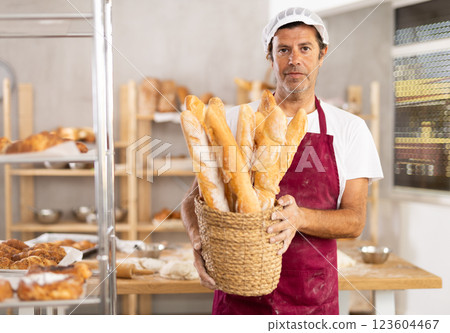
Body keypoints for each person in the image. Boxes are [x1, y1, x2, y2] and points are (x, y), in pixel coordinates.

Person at [181, 7, 383, 315]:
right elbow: (192, 200)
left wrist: (300, 217)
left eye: (305, 48)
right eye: (284, 50)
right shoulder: (236, 120)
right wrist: (199, 244)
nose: (294, 60)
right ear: (270, 56)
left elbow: (355, 221)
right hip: (238, 301)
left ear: (322, 54)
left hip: (312, 300)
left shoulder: (349, 129)